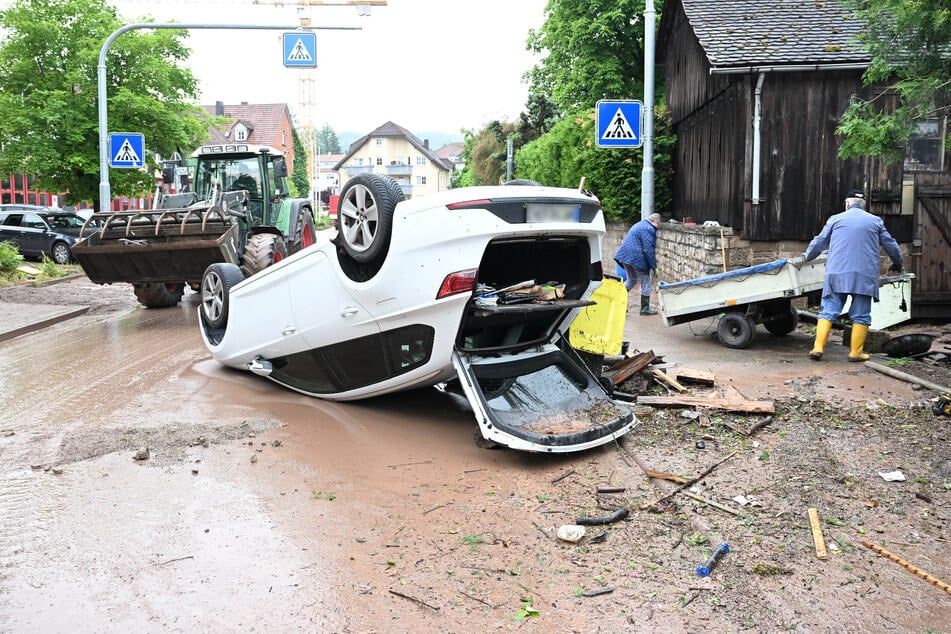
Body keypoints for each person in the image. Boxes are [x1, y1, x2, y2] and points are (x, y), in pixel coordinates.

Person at [803, 194, 903, 362]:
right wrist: (898, 263)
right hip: (864, 276)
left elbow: (819, 242)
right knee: (861, 315)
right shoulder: (875, 221)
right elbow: (891, 244)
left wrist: (807, 257)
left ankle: (818, 347)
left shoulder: (835, 219)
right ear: (862, 206)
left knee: (828, 311)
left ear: (847, 204)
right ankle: (855, 353)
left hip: (837, 273)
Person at [614, 212, 661, 315]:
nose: (657, 228)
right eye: (658, 225)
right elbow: (648, 249)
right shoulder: (649, 228)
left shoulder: (640, 224)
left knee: (631, 279)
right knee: (646, 280)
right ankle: (644, 308)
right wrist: (654, 267)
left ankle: (617, 303)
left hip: (625, 256)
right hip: (635, 258)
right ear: (655, 222)